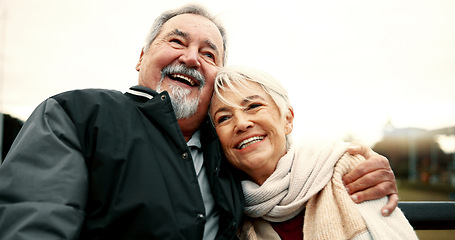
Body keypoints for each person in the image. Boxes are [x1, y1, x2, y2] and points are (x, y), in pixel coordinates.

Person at [0, 4, 396, 240]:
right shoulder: (78, 115)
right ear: (141, 57)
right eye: (176, 41)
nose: (191, 58)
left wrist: (357, 169)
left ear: (216, 77)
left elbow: (290, 171)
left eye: (209, 53)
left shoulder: (228, 149)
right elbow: (35, 222)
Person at [209, 65, 417, 239]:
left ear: (287, 120)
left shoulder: (345, 169)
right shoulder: (226, 210)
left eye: (253, 106)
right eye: (224, 118)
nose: (242, 123)